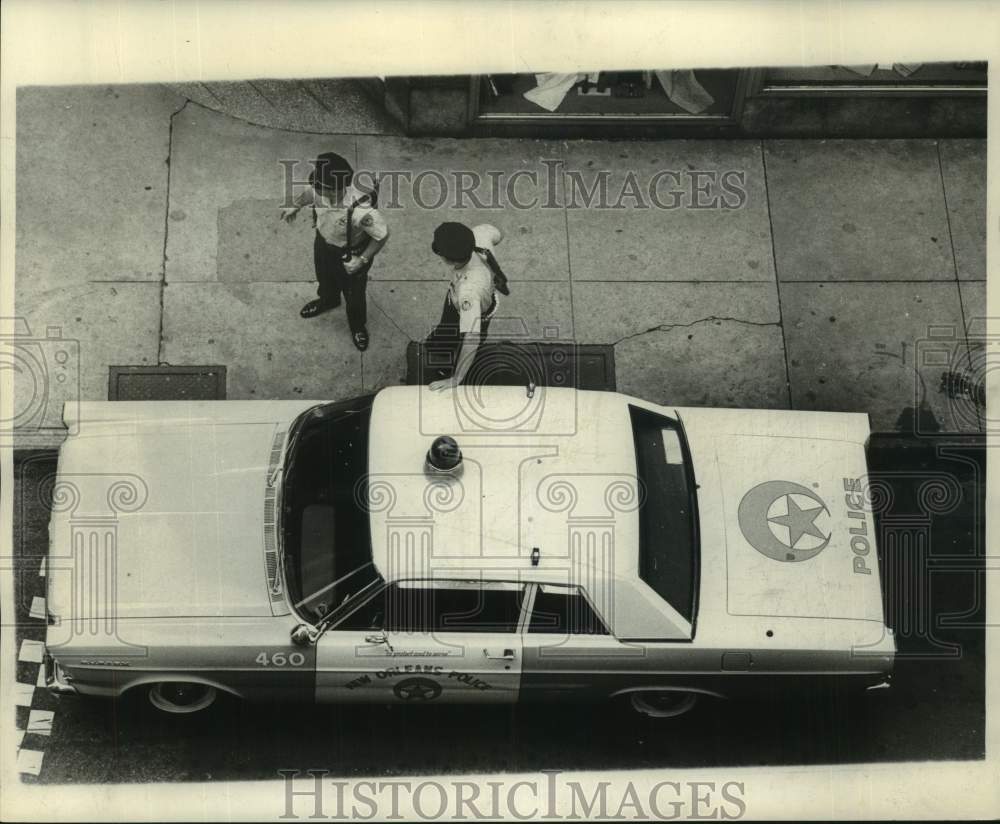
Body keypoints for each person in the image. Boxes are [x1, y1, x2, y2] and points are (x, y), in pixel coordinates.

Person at [280, 152, 389, 351]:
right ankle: (328, 300)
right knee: (325, 278)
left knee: (354, 296)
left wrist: (361, 260)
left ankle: (357, 326)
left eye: (320, 188)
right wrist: (294, 207)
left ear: (334, 189)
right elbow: (307, 194)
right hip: (323, 245)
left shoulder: (361, 210)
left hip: (350, 255)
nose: (316, 191)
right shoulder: (318, 189)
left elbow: (381, 236)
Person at [426, 222, 505, 391]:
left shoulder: (468, 293)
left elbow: (471, 338)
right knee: (444, 333)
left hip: (471, 307)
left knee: (457, 339)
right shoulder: (480, 235)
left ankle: (452, 369)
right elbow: (497, 233)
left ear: (448, 259)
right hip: (463, 297)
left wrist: (456, 378)